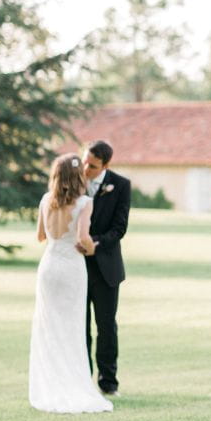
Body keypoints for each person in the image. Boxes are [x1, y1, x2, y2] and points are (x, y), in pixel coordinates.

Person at [29, 154, 113, 413]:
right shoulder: (84, 203)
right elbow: (83, 238)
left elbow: (41, 236)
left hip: (49, 267)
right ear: (77, 177)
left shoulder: (45, 200)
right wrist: (90, 248)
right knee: (72, 327)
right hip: (72, 269)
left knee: (49, 327)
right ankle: (73, 385)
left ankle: (51, 387)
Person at [79, 140, 131, 397]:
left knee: (106, 326)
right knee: (80, 325)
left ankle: (108, 382)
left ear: (106, 165)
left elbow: (119, 228)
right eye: (85, 161)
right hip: (76, 267)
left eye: (93, 165)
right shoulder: (73, 180)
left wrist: (95, 244)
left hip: (106, 267)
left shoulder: (121, 185)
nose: (86, 168)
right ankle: (81, 378)